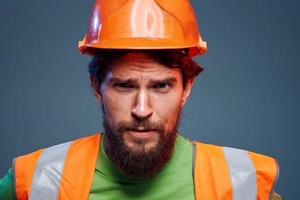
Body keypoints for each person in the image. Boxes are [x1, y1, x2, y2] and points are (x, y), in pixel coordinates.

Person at [0, 0, 281, 199]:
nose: (142, 109)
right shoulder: (35, 180)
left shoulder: (243, 183)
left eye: (160, 86)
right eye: (124, 85)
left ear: (186, 88)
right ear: (97, 87)